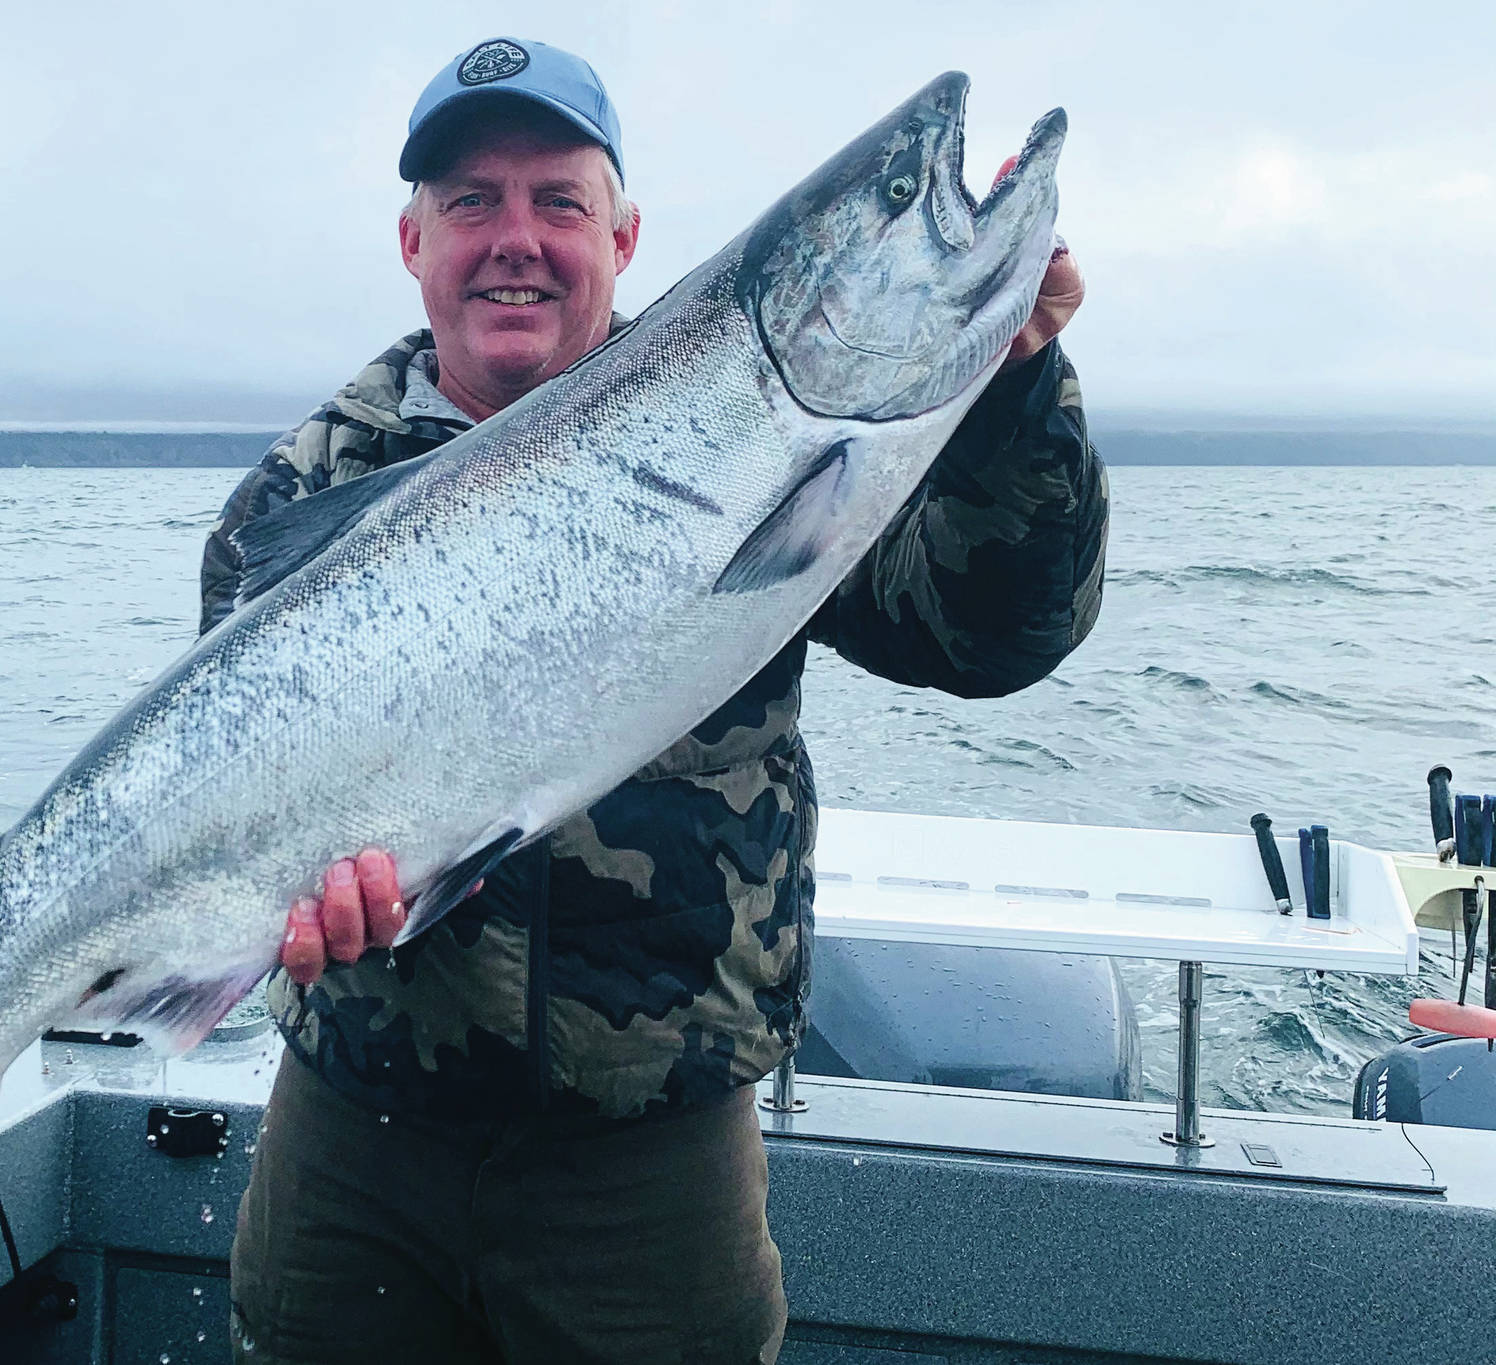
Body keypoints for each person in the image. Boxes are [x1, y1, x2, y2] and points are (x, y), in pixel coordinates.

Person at [201, 37, 1105, 1365]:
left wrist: (1014, 389)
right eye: (472, 202)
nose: (516, 239)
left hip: (651, 1153)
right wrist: (287, 901)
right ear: (412, 242)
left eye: (559, 203)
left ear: (625, 238)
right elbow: (228, 802)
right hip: (356, 1132)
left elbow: (991, 634)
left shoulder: (768, 428)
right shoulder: (305, 492)